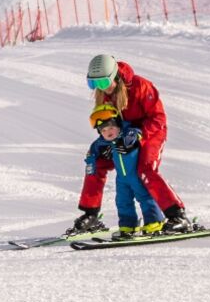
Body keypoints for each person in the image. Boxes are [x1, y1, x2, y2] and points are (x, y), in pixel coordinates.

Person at [67, 53, 190, 237]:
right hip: (122, 136)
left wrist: (139, 134)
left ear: (114, 76)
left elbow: (158, 118)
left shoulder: (141, 86)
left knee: (146, 168)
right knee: (95, 162)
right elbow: (106, 121)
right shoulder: (104, 95)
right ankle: (91, 214)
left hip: (151, 132)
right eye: (93, 84)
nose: (100, 88)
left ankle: (177, 215)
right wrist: (101, 145)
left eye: (102, 83)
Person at [88, 103, 165, 240]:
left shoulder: (128, 132)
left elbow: (137, 133)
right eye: (104, 130)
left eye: (111, 127)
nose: (108, 132)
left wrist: (129, 141)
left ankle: (154, 223)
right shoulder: (103, 143)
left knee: (145, 198)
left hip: (136, 176)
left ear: (118, 125)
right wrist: (92, 158)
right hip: (122, 179)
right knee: (122, 202)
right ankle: (128, 227)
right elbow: (93, 151)